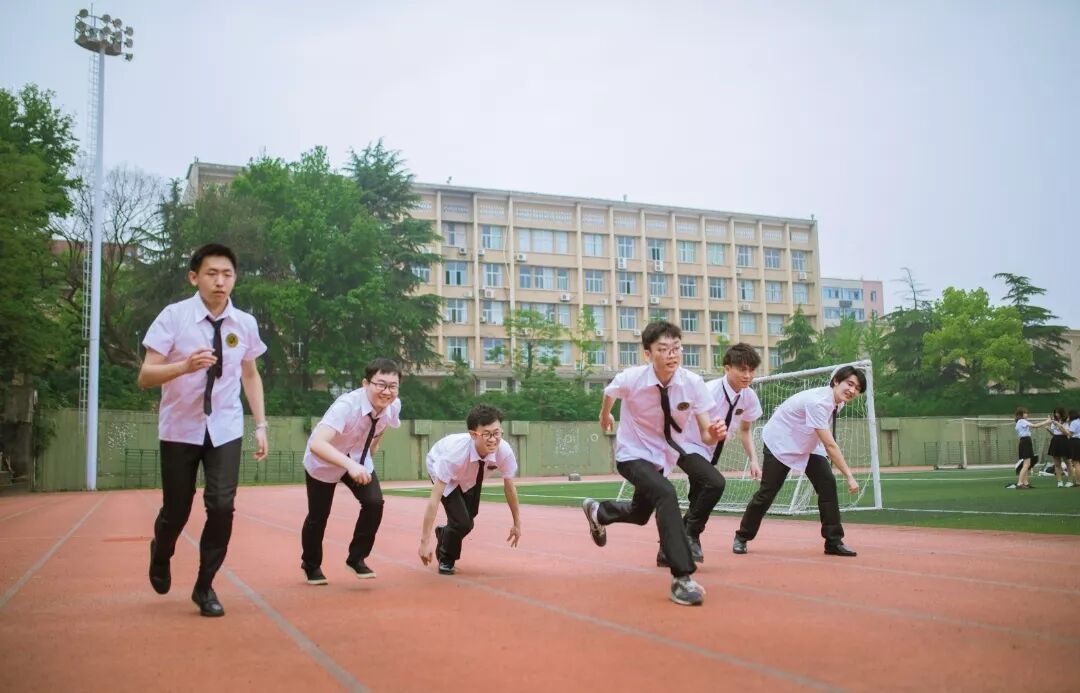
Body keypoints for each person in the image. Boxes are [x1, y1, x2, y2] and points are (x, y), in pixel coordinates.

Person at [138, 243, 268, 617]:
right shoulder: (174, 317)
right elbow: (145, 375)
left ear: (235, 279)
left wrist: (260, 425)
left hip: (225, 427)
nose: (220, 281)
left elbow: (250, 374)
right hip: (180, 428)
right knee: (176, 510)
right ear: (194, 277)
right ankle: (161, 551)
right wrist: (184, 366)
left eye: (227, 274)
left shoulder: (244, 324)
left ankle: (204, 585)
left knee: (222, 506)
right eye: (212, 273)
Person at [581, 321, 727, 607]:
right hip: (632, 454)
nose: (672, 355)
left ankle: (598, 512)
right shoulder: (632, 378)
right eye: (663, 349)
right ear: (648, 354)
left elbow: (706, 435)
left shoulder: (692, 384)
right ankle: (682, 578)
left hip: (663, 456)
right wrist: (604, 415)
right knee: (666, 493)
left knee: (640, 514)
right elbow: (610, 391)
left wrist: (714, 433)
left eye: (676, 348)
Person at [732, 365, 865, 557]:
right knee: (767, 493)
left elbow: (821, 434)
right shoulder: (818, 402)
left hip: (806, 444)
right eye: (849, 384)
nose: (852, 390)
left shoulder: (838, 402)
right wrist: (850, 477)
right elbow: (831, 445)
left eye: (857, 388)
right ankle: (742, 537)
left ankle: (833, 542)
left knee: (827, 484)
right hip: (780, 443)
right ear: (836, 381)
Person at [299, 358, 402, 585]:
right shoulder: (347, 406)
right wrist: (350, 465)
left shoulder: (393, 405)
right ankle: (311, 564)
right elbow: (317, 443)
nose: (387, 391)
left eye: (393, 386)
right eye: (381, 384)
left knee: (374, 503)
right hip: (325, 460)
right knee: (318, 516)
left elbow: (383, 425)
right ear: (366, 383)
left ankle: (356, 558)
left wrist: (372, 447)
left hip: (358, 458)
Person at [667, 342, 763, 567]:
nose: (748, 375)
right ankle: (692, 535)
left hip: (710, 451)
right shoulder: (708, 391)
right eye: (742, 369)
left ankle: (668, 547)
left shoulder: (748, 397)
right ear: (727, 368)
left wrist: (754, 459)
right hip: (686, 445)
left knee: (698, 499)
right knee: (715, 483)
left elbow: (745, 430)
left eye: (751, 370)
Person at [418, 405, 521, 575]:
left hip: (469, 474)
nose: (493, 439)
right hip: (442, 469)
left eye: (497, 433)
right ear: (473, 434)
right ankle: (446, 558)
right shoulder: (453, 455)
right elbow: (435, 497)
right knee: (462, 522)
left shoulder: (504, 451)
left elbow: (509, 487)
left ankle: (444, 533)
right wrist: (424, 541)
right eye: (486, 434)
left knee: (469, 517)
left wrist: (517, 523)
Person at [1007, 408, 1051, 490]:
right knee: (1026, 464)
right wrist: (1047, 421)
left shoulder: (1020, 422)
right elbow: (1035, 426)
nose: (1027, 414)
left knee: (1027, 464)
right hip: (1025, 442)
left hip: (1024, 442)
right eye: (1025, 413)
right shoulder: (1022, 421)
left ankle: (1025, 483)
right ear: (1021, 414)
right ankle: (1020, 483)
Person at [1046, 408, 1072, 488]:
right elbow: (1054, 433)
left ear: (1061, 413)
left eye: (1057, 413)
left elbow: (1066, 433)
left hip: (1064, 441)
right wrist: (1048, 429)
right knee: (1057, 464)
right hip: (1055, 441)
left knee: (1068, 463)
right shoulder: (1054, 421)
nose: (1056, 414)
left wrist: (1058, 424)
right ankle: (1059, 481)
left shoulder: (1066, 421)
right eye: (1055, 413)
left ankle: (1070, 481)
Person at [1068, 410, 1080, 487]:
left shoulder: (1074, 422)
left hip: (1076, 442)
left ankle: (1078, 482)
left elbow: (1070, 434)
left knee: (1076, 463)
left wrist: (1061, 427)